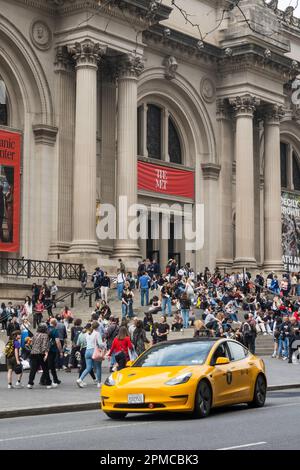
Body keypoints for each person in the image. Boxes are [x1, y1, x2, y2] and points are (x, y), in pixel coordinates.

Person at [76, 321, 105, 388]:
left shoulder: (87, 333)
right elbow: (100, 344)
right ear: (98, 327)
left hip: (87, 351)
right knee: (98, 367)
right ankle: (99, 383)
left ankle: (80, 379)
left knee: (88, 368)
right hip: (94, 351)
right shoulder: (97, 333)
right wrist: (104, 345)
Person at [27, 324, 53, 389]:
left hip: (33, 353)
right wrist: (46, 354)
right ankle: (48, 383)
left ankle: (30, 383)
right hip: (41, 354)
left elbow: (31, 343)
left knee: (33, 369)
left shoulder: (35, 334)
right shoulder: (45, 335)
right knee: (45, 369)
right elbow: (45, 345)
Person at [40, 318, 63, 386]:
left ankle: (55, 379)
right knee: (49, 365)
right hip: (52, 349)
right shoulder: (55, 330)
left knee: (51, 365)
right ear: (55, 323)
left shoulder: (46, 329)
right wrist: (61, 351)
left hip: (44, 349)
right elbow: (58, 341)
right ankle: (43, 380)